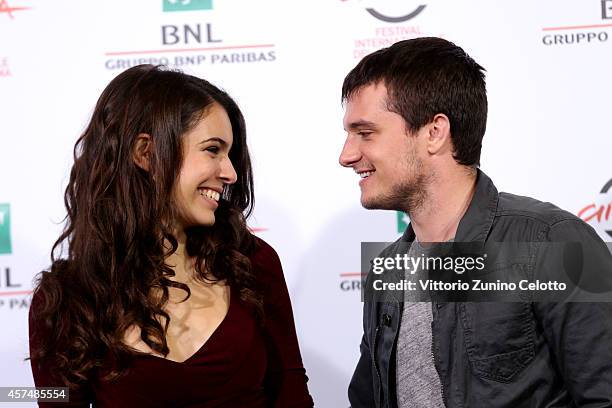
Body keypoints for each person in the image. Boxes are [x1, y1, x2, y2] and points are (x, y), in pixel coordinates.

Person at [339, 37, 612, 407]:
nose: (347, 155)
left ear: (434, 132)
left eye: (365, 133)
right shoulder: (387, 271)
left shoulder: (554, 243)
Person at [29, 64, 314, 407]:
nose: (231, 173)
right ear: (145, 153)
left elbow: (291, 390)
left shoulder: (252, 262)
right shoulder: (65, 298)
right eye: (212, 150)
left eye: (229, 154)